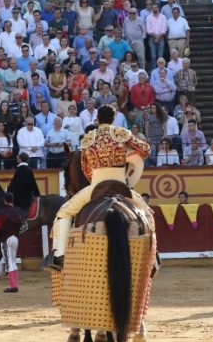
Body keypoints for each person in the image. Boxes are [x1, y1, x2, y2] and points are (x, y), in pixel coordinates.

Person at [46, 105, 151, 270]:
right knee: (146, 212)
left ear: (97, 119)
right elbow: (146, 150)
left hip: (96, 185)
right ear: (113, 118)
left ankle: (59, 256)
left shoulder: (88, 138)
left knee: (64, 212)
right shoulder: (121, 134)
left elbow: (85, 168)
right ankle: (154, 255)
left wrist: (94, 182)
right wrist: (129, 156)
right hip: (121, 185)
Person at [0, 192, 26, 293]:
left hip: (6, 239)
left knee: (9, 262)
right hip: (15, 238)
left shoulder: (2, 212)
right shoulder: (18, 211)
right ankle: (14, 284)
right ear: (13, 200)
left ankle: (13, 286)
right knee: (13, 261)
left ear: (4, 201)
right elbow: (24, 226)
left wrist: (0, 234)